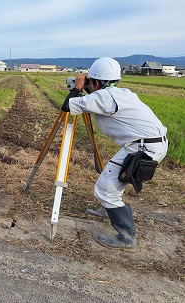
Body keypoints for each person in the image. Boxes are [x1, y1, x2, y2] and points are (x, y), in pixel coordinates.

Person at [61, 57, 168, 252]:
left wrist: (76, 88)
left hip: (142, 147)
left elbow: (67, 106)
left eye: (89, 81)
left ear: (96, 82)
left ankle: (126, 237)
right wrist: (85, 89)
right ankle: (108, 209)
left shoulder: (102, 97)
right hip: (149, 143)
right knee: (112, 176)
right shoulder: (118, 94)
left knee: (105, 188)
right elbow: (94, 100)